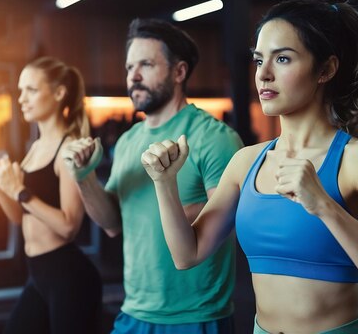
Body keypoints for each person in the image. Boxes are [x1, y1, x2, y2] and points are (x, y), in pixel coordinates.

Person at [141, 0, 358, 334]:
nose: (263, 74)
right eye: (259, 60)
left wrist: (324, 206)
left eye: (283, 58)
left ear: (326, 69)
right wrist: (164, 182)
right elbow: (187, 254)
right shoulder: (246, 162)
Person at [62, 19, 243, 333]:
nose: (133, 76)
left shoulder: (215, 138)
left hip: (195, 316)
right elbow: (111, 224)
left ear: (179, 72)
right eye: (130, 66)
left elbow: (228, 223)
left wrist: (190, 210)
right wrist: (83, 176)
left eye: (146, 64)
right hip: (134, 311)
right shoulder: (128, 141)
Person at [0, 56, 102, 334]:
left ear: (59, 93)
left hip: (69, 277)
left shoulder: (68, 149)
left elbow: (69, 226)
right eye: (20, 91)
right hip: (38, 274)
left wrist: (21, 192)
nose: (21, 99)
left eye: (31, 90)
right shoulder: (35, 148)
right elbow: (17, 217)